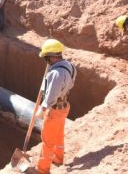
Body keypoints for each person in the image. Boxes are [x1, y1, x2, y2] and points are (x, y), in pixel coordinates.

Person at [30, 39, 76, 174]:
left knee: (47, 139)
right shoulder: (69, 65)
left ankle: (42, 169)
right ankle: (58, 158)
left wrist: (43, 108)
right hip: (64, 106)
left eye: (46, 58)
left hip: (54, 109)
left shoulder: (56, 73)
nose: (46, 61)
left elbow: (51, 96)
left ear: (51, 56)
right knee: (58, 134)